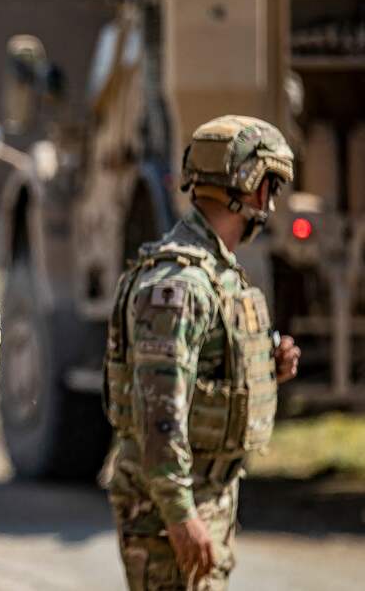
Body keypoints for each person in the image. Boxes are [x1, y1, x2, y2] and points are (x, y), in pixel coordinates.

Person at [102, 115, 302, 590]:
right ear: (256, 190)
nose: (270, 202)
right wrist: (179, 515)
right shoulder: (179, 284)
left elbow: (202, 379)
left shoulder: (215, 271)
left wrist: (263, 370)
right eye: (270, 185)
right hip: (169, 502)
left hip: (207, 492)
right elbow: (158, 412)